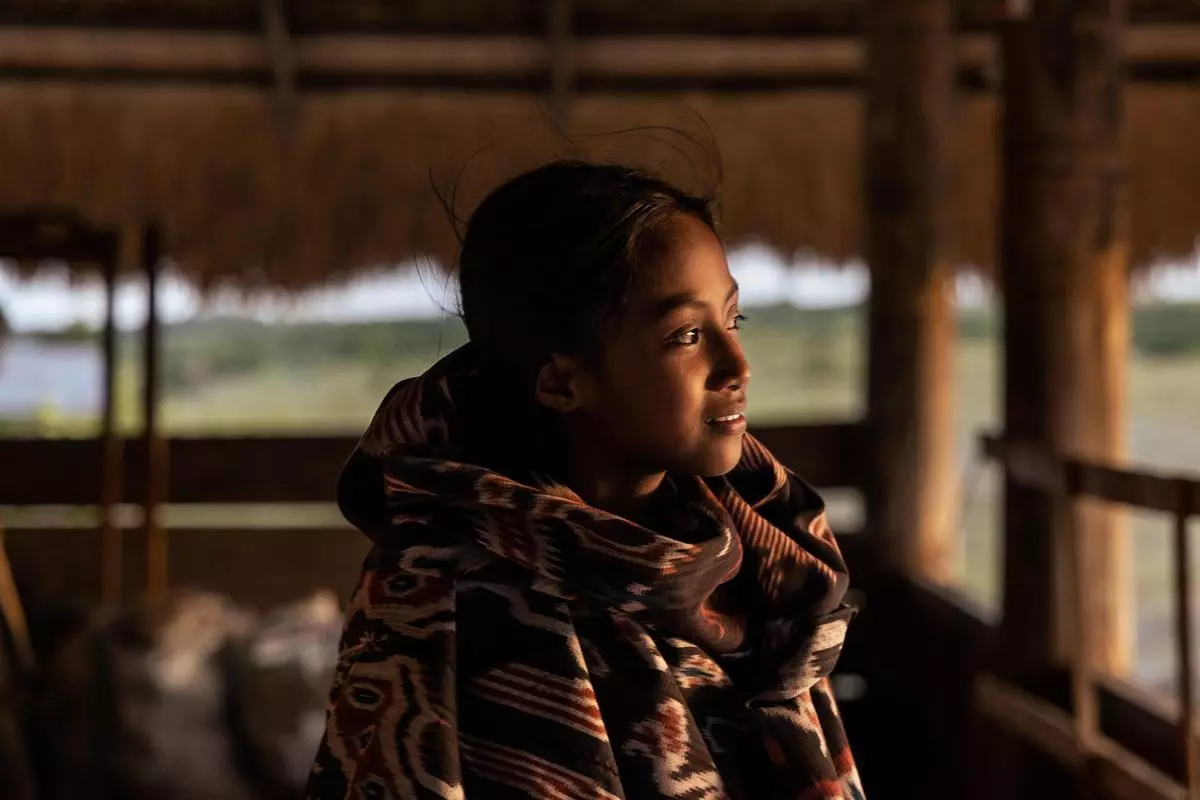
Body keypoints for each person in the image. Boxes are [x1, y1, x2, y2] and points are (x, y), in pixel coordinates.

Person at [306, 161, 863, 800]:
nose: (737, 365)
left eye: (733, 321)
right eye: (686, 335)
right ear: (563, 382)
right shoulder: (442, 600)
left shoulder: (772, 570)